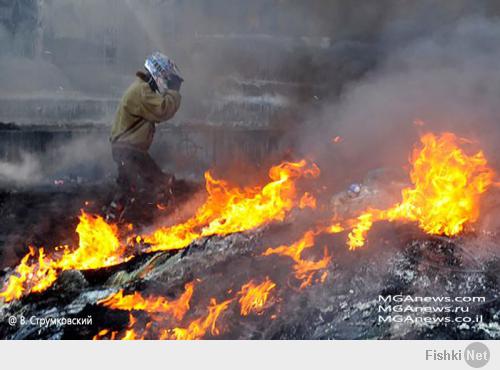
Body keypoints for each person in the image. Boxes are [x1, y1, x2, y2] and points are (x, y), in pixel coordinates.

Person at [106, 52, 183, 222]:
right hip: (130, 150)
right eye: (167, 79)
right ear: (158, 75)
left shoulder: (141, 88)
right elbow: (163, 109)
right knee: (160, 182)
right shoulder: (142, 90)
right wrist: (174, 92)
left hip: (124, 149)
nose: (167, 83)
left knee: (127, 188)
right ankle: (170, 218)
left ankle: (111, 223)